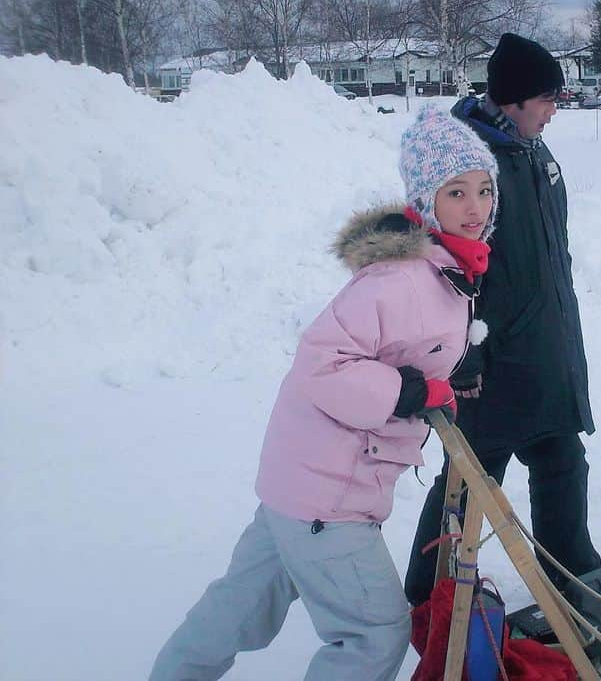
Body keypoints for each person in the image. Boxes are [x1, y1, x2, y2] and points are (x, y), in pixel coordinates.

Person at [149, 104, 498, 681]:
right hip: (329, 493)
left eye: (484, 191)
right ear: (424, 200)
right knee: (374, 633)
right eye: (456, 192)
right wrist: (411, 393)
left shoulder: (442, 272)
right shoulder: (404, 278)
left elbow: (395, 347)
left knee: (239, 607)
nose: (474, 207)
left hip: (297, 483)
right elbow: (323, 362)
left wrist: (443, 377)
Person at [404, 32, 601, 607]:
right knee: (468, 479)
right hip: (488, 364)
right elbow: (446, 269)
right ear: (513, 99)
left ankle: (573, 580)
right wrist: (464, 357)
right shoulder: (469, 165)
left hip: (544, 349)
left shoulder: (534, 153)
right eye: (546, 98)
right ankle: (428, 589)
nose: (554, 108)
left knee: (562, 461)